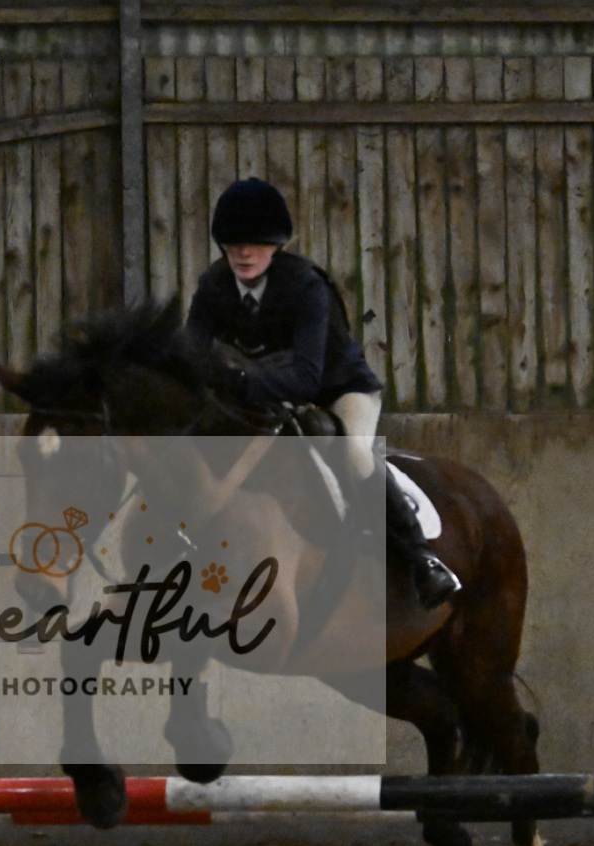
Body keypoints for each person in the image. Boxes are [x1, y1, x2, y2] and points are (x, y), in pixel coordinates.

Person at [180, 177, 462, 609]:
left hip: (338, 390)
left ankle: (422, 559)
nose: (243, 253)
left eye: (256, 243)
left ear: (277, 245)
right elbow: (188, 357)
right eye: (234, 244)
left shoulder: (306, 286)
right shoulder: (213, 287)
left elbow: (306, 378)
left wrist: (237, 382)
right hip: (266, 395)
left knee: (354, 452)